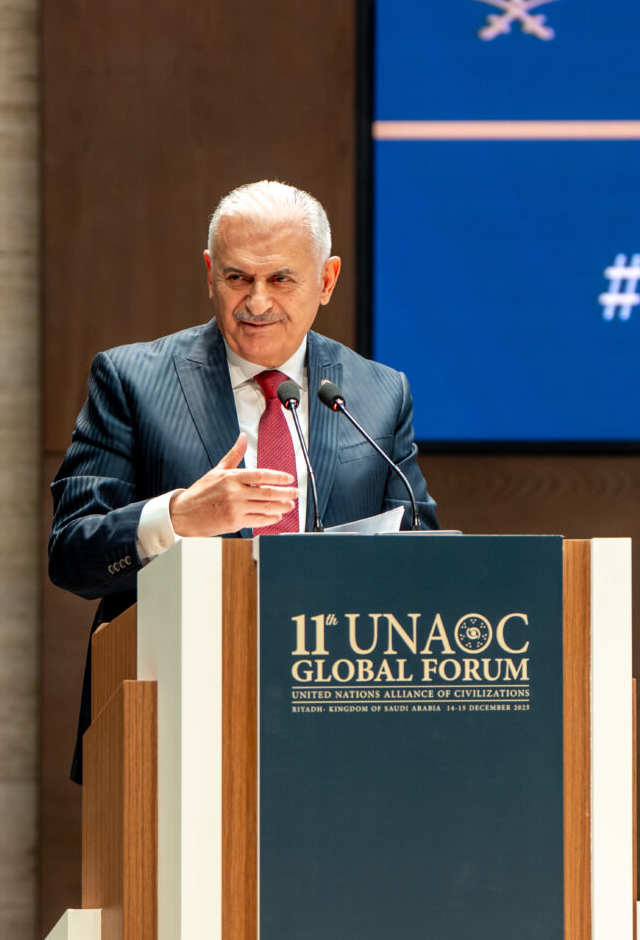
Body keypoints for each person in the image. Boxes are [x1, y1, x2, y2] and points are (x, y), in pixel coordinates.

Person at [49, 180, 439, 780]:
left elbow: (425, 558)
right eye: (238, 278)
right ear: (211, 274)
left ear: (326, 280)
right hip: (174, 721)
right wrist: (178, 518)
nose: (257, 302)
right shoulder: (131, 381)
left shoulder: (377, 394)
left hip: (341, 721)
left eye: (280, 279)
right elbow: (72, 555)